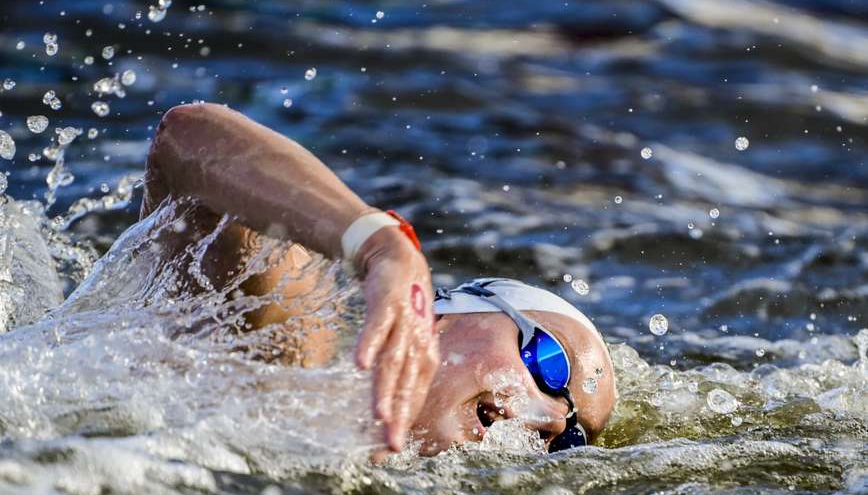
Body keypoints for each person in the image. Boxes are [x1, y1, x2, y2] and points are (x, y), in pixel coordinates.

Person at [142, 103, 616, 457]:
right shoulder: (279, 353)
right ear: (441, 317)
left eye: (571, 437)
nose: (554, 420)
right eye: (549, 362)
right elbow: (186, 137)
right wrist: (379, 243)